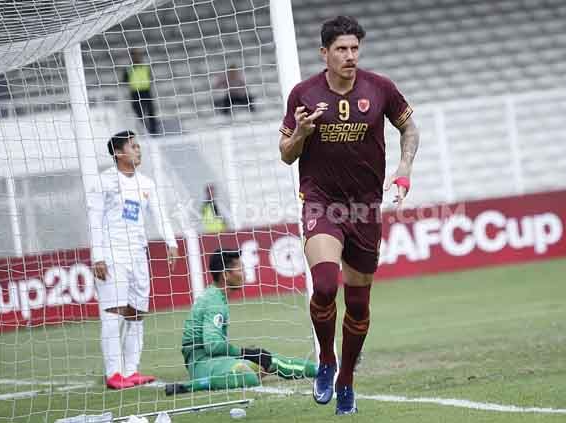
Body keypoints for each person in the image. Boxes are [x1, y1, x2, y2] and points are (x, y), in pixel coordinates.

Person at [278, 16, 419, 414]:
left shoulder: (380, 88)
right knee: (324, 285)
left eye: (355, 48)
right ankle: (326, 358)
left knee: (358, 306)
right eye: (341, 49)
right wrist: (302, 133)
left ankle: (346, 381)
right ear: (324, 53)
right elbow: (286, 153)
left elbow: (410, 129)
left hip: (364, 208)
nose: (350, 56)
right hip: (322, 204)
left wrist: (405, 166)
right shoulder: (303, 94)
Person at [88, 130, 180, 389]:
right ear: (118, 153)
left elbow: (159, 214)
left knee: (137, 313)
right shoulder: (103, 182)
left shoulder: (147, 183)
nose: (138, 150)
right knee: (113, 311)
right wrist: (98, 256)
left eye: (139, 146)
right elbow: (94, 219)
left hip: (139, 254)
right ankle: (113, 373)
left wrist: (171, 242)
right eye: (133, 146)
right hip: (112, 253)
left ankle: (130, 370)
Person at [165, 249, 317, 395]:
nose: (244, 274)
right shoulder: (214, 302)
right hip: (202, 363)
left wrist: (252, 355)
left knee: (267, 360)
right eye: (240, 269)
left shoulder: (216, 296)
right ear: (225, 275)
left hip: (217, 360)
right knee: (247, 376)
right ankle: (190, 386)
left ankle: (321, 369)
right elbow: (213, 345)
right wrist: (245, 353)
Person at [124, 49, 160, 136]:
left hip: (146, 91)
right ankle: (142, 130)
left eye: (138, 55)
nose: (136, 57)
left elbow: (150, 77)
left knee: (150, 110)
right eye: (134, 55)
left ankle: (153, 130)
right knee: (138, 112)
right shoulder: (128, 68)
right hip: (135, 93)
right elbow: (125, 80)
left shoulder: (145, 67)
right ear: (131, 57)